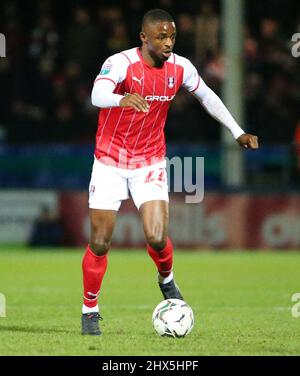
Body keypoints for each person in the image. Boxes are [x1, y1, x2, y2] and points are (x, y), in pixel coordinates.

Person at [81, 9, 259, 336]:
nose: (168, 42)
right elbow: (96, 94)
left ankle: (167, 280)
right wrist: (122, 99)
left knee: (157, 236)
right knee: (101, 241)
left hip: (149, 162)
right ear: (144, 37)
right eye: (161, 36)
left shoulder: (180, 68)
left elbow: (206, 94)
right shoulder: (120, 63)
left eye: (172, 36)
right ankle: (89, 310)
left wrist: (237, 131)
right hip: (109, 161)